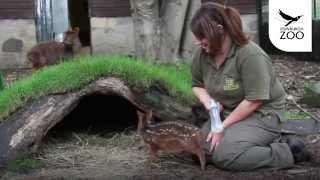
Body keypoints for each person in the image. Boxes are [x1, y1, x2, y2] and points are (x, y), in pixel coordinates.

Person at [190, 2, 311, 171]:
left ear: (219, 29)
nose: (198, 42)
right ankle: (247, 141)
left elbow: (254, 101)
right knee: (199, 148)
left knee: (225, 155)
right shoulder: (203, 54)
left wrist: (221, 127)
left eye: (202, 36)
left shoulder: (250, 55)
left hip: (262, 113)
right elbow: (196, 85)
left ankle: (288, 151)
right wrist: (209, 102)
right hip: (230, 112)